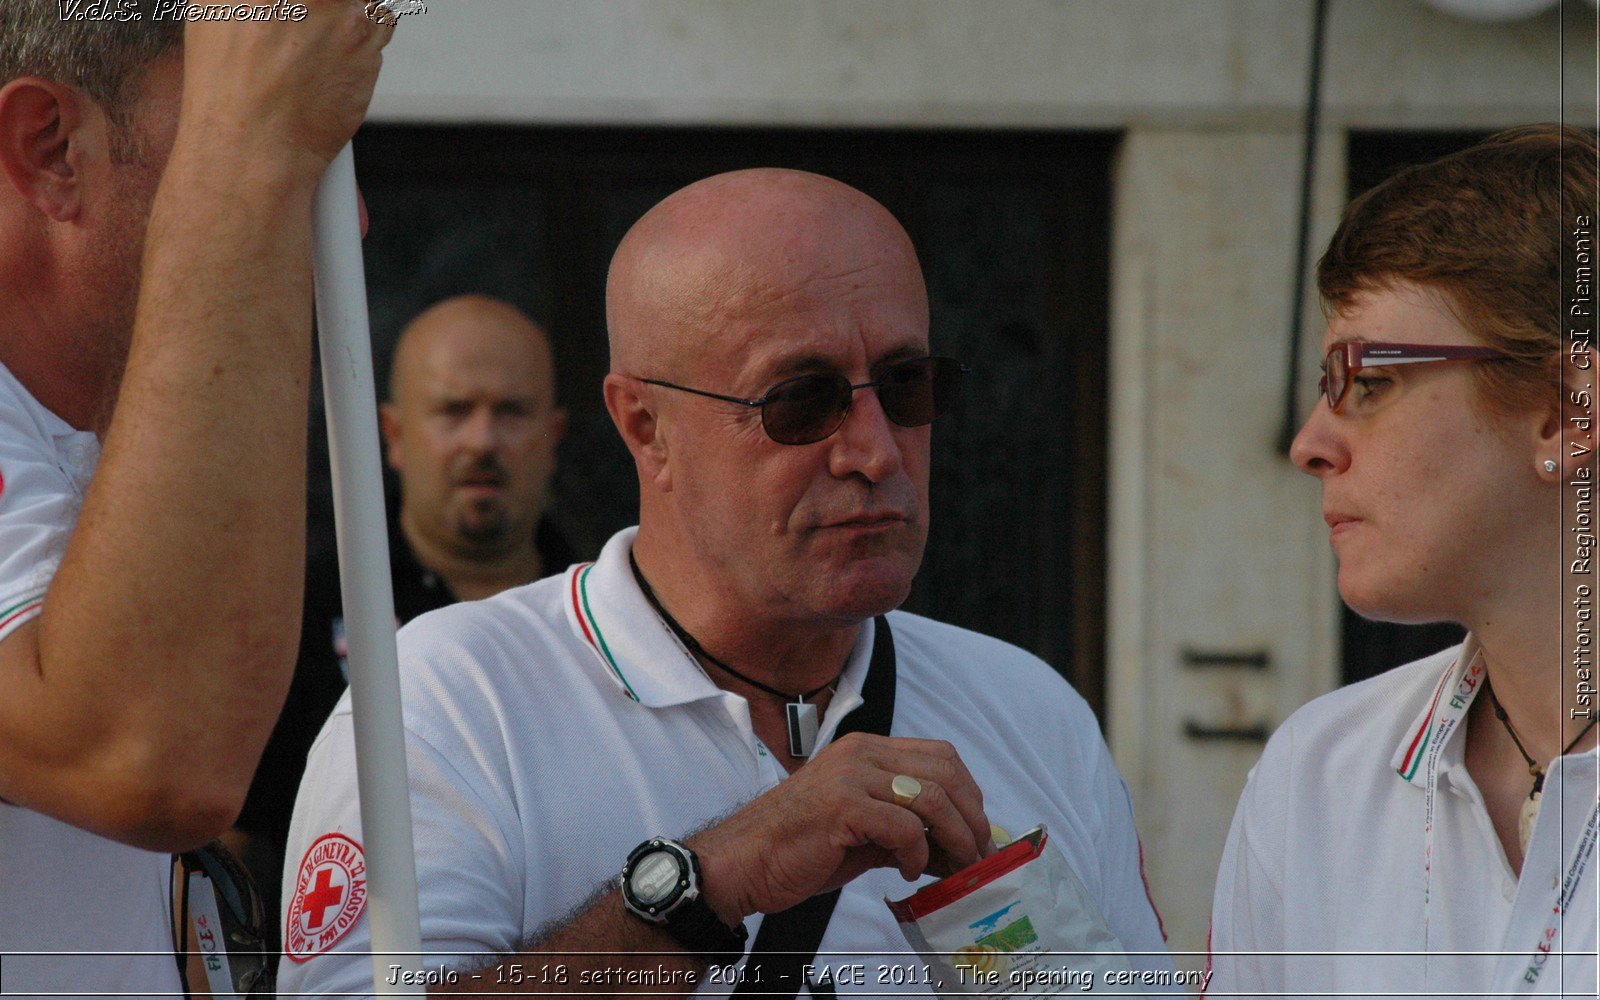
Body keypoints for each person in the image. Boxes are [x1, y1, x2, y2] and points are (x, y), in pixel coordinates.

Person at [279, 168, 1174, 996]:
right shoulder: (450, 700)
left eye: (907, 386)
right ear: (645, 427)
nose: (875, 451)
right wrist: (711, 883)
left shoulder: (1027, 709)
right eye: (800, 400)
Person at [0, 0, 390, 993]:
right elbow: (146, 756)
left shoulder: (84, 438)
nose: (347, 224)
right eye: (302, 155)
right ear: (50, 150)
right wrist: (253, 155)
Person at [1207, 125, 1598, 997]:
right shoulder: (1318, 776)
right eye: (1324, 388)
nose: (1311, 443)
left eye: (1370, 383)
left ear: (1566, 412)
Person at [233, 294, 578, 955]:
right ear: (392, 435)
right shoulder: (296, 609)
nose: (482, 441)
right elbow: (233, 841)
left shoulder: (609, 613)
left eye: (510, 412)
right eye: (453, 411)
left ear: (554, 435)